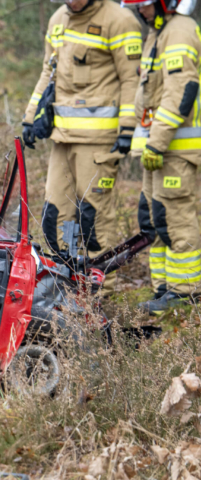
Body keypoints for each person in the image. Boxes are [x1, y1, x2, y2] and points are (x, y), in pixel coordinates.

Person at [22, 0, 142, 294]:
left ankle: (102, 289)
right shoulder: (58, 18)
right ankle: (67, 281)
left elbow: (132, 80)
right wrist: (30, 117)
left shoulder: (120, 20)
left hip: (100, 141)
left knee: (92, 215)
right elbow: (47, 72)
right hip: (62, 137)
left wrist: (128, 128)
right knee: (55, 214)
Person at [123, 0, 201, 314]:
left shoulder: (180, 30)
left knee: (177, 220)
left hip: (175, 150)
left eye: (143, 4)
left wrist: (156, 142)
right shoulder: (159, 32)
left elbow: (181, 90)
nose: (139, 10)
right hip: (158, 148)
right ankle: (164, 289)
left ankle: (185, 293)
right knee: (155, 219)